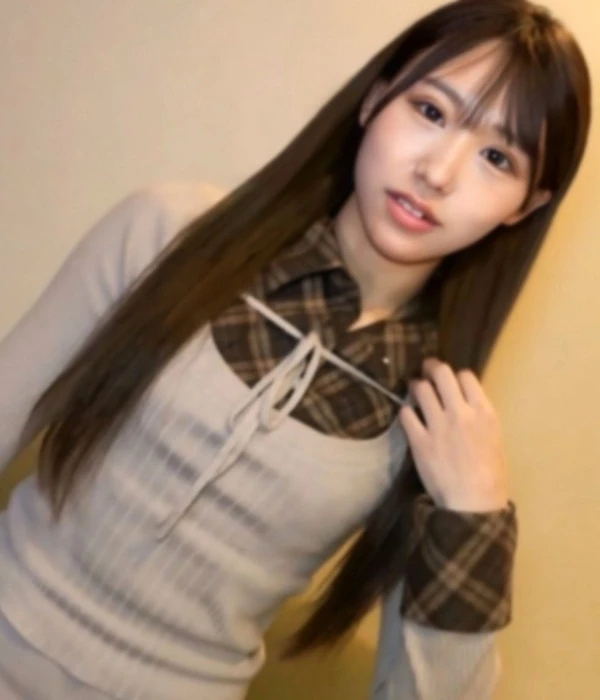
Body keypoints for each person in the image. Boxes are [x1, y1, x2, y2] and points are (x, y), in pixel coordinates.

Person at [0, 0, 591, 698]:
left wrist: (474, 515)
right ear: (376, 98)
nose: (439, 172)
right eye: (431, 111)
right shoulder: (170, 234)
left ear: (525, 205)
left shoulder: (435, 420)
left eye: (497, 157)